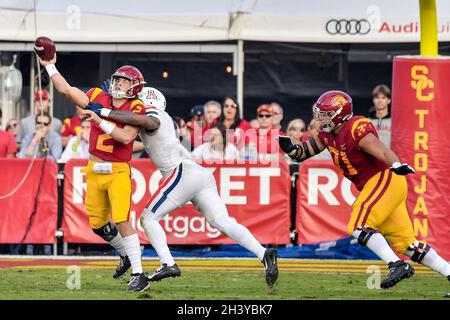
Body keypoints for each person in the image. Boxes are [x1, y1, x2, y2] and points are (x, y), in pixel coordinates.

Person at [83, 87, 279, 288]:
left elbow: (147, 121)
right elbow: (133, 137)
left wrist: (104, 113)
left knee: (148, 218)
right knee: (223, 221)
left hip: (181, 173)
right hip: (199, 174)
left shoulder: (153, 114)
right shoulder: (166, 119)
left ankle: (168, 263)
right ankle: (264, 253)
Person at [278, 90, 450, 289]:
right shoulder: (326, 134)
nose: (321, 119)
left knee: (359, 225)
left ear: (340, 114)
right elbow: (303, 153)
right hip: (380, 185)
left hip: (385, 179)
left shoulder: (356, 128)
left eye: (326, 114)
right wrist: (290, 149)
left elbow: (382, 150)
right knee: (407, 245)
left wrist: (396, 164)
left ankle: (396, 264)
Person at [38, 53, 148, 292]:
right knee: (98, 224)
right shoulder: (98, 95)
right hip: (94, 168)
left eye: (124, 81)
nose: (118, 83)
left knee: (121, 220)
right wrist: (50, 66)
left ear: (135, 86)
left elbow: (126, 137)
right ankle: (125, 254)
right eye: (117, 79)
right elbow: (67, 90)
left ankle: (139, 274)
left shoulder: (137, 106)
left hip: (118, 170)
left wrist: (98, 120)